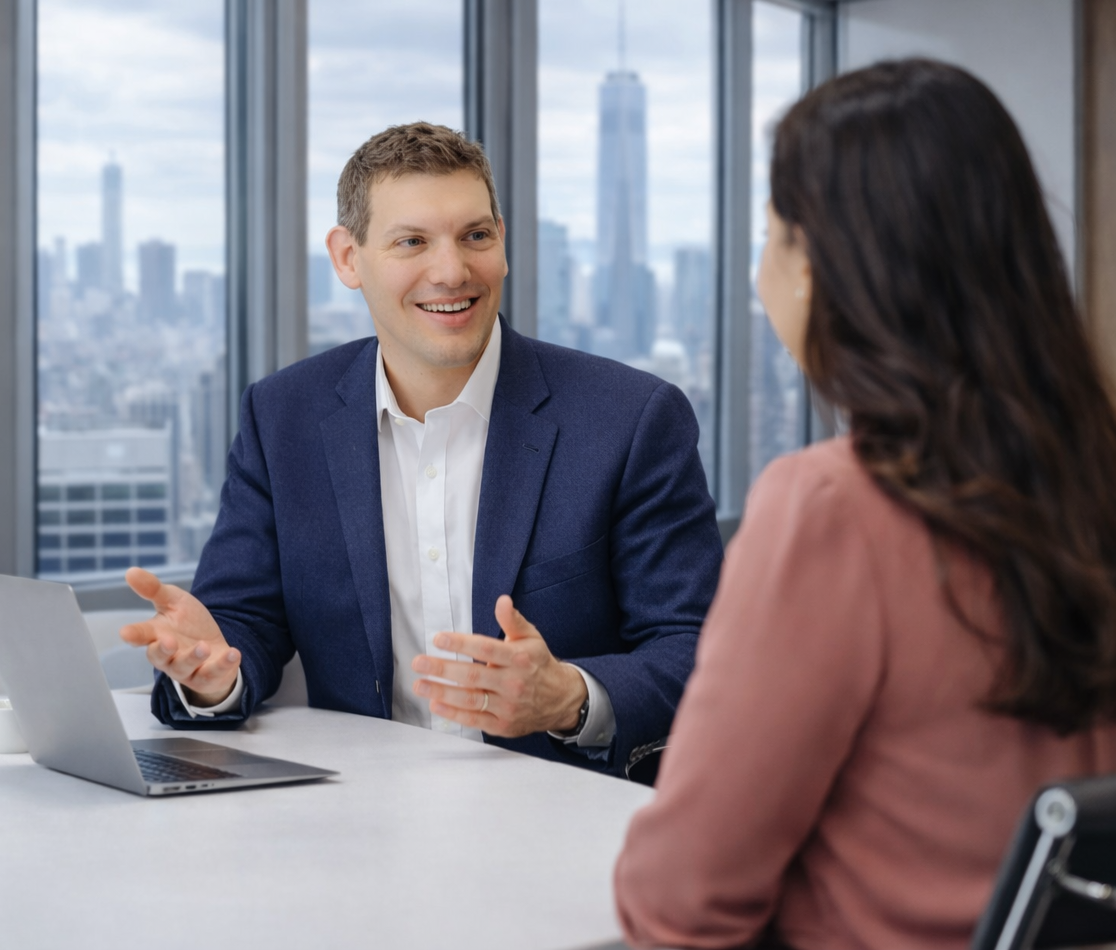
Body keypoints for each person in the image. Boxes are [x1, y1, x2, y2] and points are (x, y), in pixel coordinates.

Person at [614, 58, 1116, 948]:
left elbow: (681, 900)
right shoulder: (1089, 479)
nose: (761, 277)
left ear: (820, 266)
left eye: (771, 238)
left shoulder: (833, 509)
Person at [118, 122, 722, 774]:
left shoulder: (628, 420)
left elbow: (698, 649)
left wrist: (569, 698)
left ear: (503, 244)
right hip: (361, 817)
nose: (451, 271)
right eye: (412, 242)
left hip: (569, 818)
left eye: (476, 237)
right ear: (348, 258)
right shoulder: (284, 416)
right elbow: (242, 624)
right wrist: (212, 673)